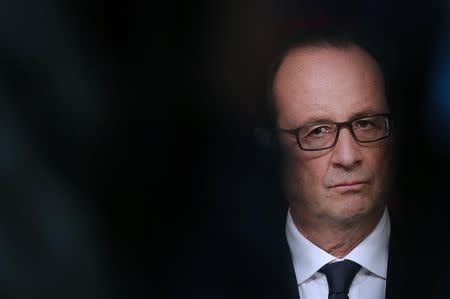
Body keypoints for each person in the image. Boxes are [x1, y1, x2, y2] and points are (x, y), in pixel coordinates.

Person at [171, 28, 425, 299]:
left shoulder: (436, 266)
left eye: (365, 124)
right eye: (317, 131)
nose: (349, 157)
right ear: (271, 145)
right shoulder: (209, 281)